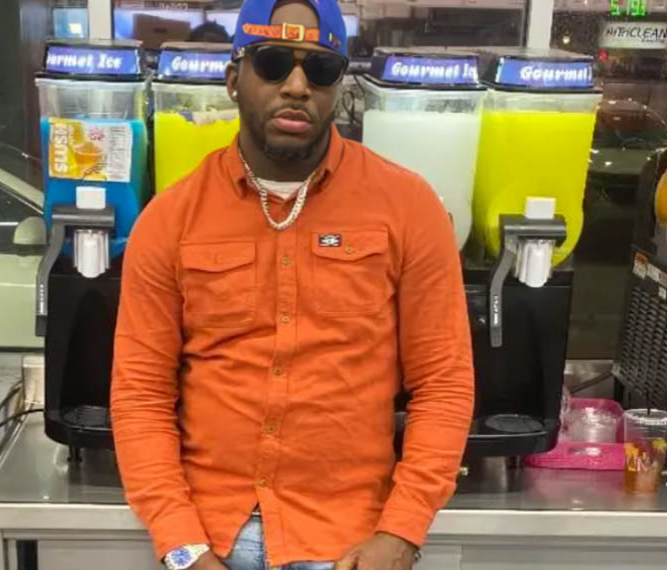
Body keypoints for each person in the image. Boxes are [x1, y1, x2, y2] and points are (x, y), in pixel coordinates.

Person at [110, 0, 475, 568]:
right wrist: (181, 546)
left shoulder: (408, 208)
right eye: (273, 63)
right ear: (234, 79)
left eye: (321, 69)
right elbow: (140, 395)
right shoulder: (170, 218)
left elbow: (443, 384)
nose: (298, 86)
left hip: (349, 543)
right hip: (211, 537)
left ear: (340, 88)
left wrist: (402, 531)